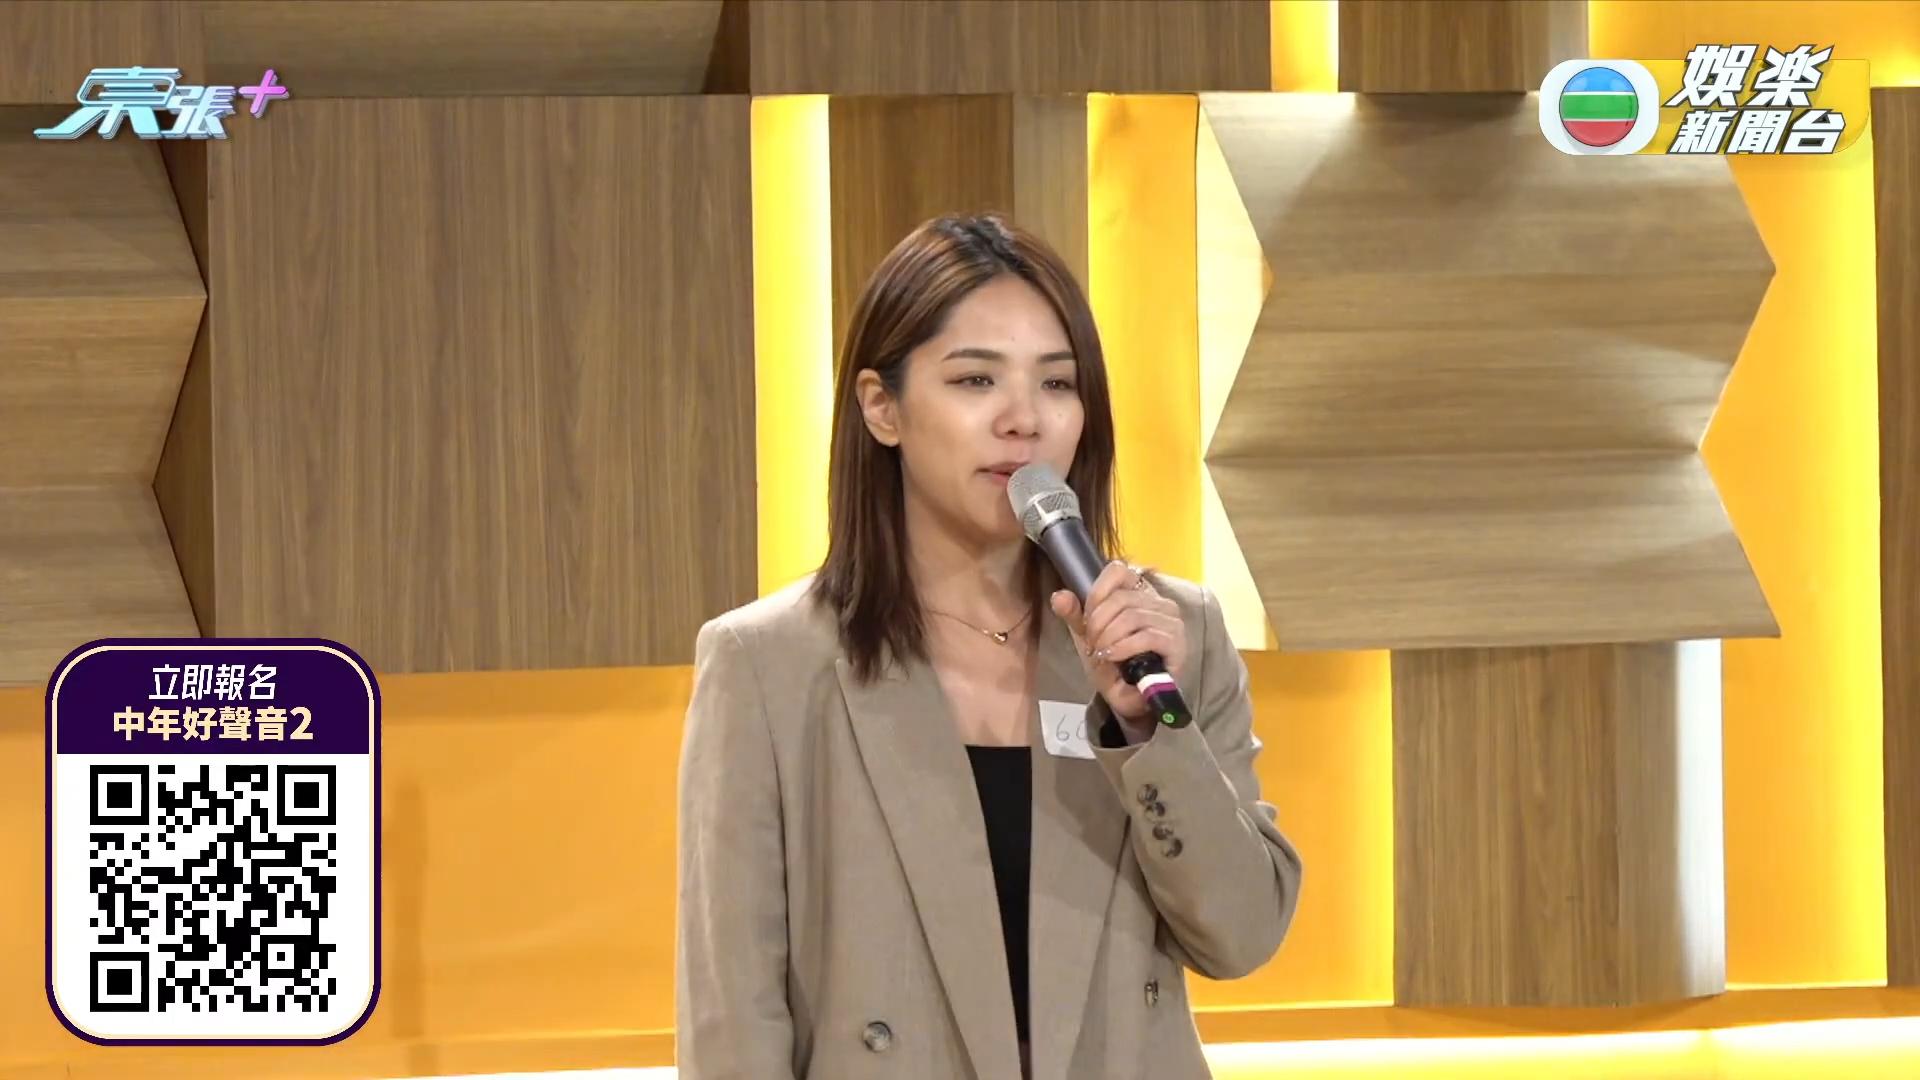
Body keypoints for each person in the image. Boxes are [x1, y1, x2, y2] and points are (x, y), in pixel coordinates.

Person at [675, 213, 1303, 1080]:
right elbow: (733, 1020)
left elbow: (1241, 936)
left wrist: (1149, 733)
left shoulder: (1171, 632)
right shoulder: (766, 665)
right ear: (882, 407)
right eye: (976, 380)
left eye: (1057, 383)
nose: (1024, 421)